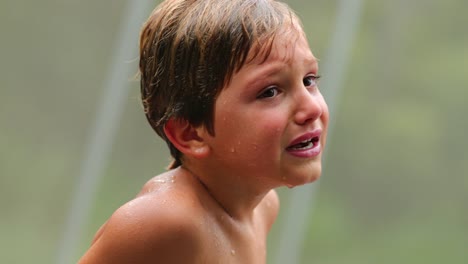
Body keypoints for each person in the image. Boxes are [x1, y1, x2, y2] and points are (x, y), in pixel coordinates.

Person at [79, 0, 329, 263]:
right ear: (191, 134)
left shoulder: (263, 208)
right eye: (269, 92)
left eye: (309, 80)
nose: (311, 108)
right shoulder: (164, 221)